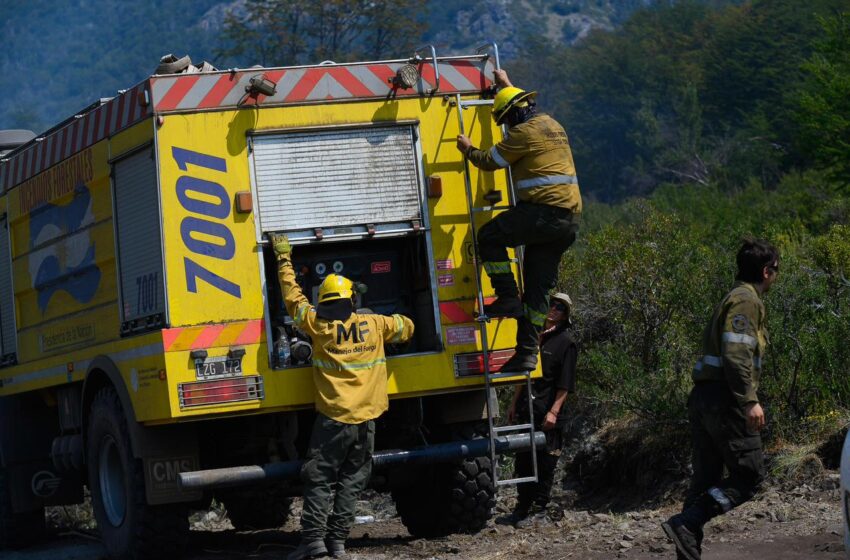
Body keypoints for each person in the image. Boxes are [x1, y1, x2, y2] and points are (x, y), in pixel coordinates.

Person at [270, 234, 415, 560]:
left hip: (333, 421)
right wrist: (399, 325)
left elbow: (294, 299)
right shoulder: (375, 323)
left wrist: (283, 258)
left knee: (320, 479)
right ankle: (337, 543)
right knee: (352, 481)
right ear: (351, 300)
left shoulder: (317, 326)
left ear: (323, 301)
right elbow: (406, 328)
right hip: (367, 421)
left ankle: (314, 543)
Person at [456, 69, 582, 373]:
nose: (507, 126)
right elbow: (519, 106)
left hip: (542, 213)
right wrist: (508, 87)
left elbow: (490, 162)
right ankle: (527, 354)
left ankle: (507, 296)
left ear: (513, 117)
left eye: (506, 120)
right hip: (568, 222)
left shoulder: (521, 133)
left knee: (489, 236)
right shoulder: (552, 124)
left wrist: (468, 148)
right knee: (538, 291)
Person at [662, 238, 780, 560]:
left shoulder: (733, 297)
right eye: (776, 271)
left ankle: (687, 548)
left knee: (705, 480)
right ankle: (688, 522)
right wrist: (749, 400)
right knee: (749, 476)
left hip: (705, 398)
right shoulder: (746, 300)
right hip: (725, 400)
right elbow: (737, 353)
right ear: (767, 271)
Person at [499, 292, 578, 528]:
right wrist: (514, 403)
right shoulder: (533, 338)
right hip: (527, 408)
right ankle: (521, 508)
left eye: (560, 308)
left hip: (548, 412)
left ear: (565, 316)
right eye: (551, 305)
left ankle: (539, 510)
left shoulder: (567, 342)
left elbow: (566, 383)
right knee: (523, 459)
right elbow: (524, 375)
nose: (554, 310)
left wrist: (554, 411)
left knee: (545, 462)